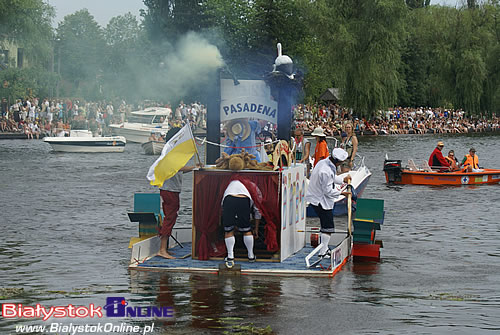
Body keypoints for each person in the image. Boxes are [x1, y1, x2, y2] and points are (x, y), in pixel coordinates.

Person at [305, 148, 352, 258]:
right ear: (338, 161)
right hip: (321, 200)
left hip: (316, 197)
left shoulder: (324, 163)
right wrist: (342, 193)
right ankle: (323, 252)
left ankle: (324, 249)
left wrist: (342, 180)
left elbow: (332, 177)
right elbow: (328, 191)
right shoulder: (325, 171)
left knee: (326, 224)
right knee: (328, 226)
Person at [222, 179, 263, 263]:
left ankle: (230, 256)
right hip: (243, 200)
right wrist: (256, 229)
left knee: (229, 229)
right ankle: (251, 256)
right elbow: (257, 210)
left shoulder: (227, 182)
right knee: (246, 230)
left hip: (228, 199)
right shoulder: (253, 186)